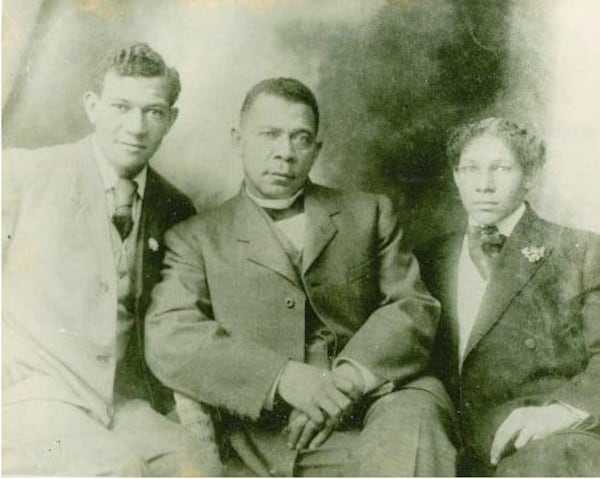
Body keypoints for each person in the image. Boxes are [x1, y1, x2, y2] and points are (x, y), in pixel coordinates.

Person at [144, 77, 457, 476]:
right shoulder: (196, 238)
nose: (284, 153)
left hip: (383, 400)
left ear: (316, 150)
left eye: (300, 138)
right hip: (281, 428)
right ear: (238, 140)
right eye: (269, 135)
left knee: (417, 417)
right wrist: (285, 379)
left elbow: (413, 306)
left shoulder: (369, 213)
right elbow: (170, 336)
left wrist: (347, 380)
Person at [2, 43, 221, 475]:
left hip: (120, 399)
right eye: (121, 106)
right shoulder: (24, 176)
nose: (136, 127)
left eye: (154, 111)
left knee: (197, 467)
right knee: (117, 470)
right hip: (34, 392)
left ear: (170, 120)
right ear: (92, 106)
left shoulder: (174, 206)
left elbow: (174, 324)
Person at [415, 117, 600, 476]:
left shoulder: (582, 251)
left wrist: (560, 411)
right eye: (470, 169)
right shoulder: (425, 259)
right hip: (446, 444)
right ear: (456, 176)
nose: (484, 185)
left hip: (543, 441)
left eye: (501, 168)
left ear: (529, 177)